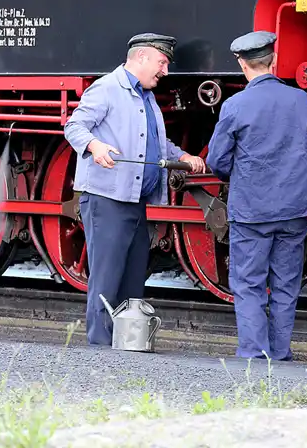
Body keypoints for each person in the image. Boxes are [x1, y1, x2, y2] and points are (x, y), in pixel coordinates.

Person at [64, 33, 206, 347]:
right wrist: (94, 145)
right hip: (107, 199)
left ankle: (126, 343)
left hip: (135, 199)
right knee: (107, 277)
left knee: (132, 275)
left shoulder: (146, 97)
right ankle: (100, 347)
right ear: (141, 57)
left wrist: (182, 157)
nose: (165, 71)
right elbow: (74, 126)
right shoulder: (106, 88)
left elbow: (155, 143)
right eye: (162, 62)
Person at [206, 30, 307, 361]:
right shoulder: (301, 100)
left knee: (249, 283)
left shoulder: (235, 105)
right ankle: (281, 352)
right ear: (273, 60)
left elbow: (217, 161)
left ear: (243, 65)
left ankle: (255, 355)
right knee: (286, 284)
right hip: (294, 209)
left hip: (252, 211)